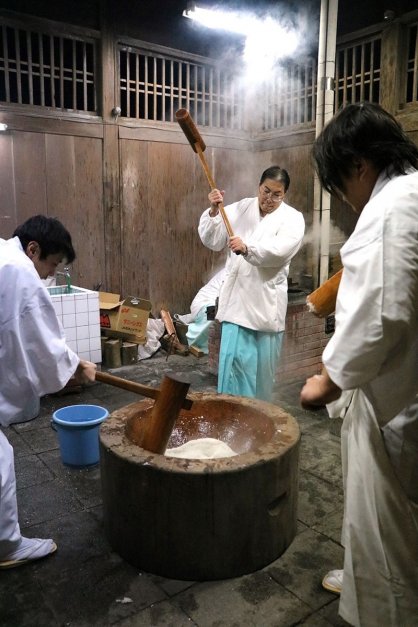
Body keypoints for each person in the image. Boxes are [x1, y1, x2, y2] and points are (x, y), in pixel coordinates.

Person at [300, 103, 418, 626]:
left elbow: (380, 315)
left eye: (338, 183)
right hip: (406, 380)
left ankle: (385, 605)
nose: (344, 200)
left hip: (396, 401)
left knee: (386, 527)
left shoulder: (390, 210)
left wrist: (329, 380)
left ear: (358, 165)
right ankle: (364, 571)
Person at [0, 215, 97, 569]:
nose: (49, 274)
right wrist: (75, 366)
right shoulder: (19, 270)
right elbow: (40, 340)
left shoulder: (4, 256)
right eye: (52, 264)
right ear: (34, 249)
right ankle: (6, 547)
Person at [198, 166, 305, 401]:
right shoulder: (242, 208)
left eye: (276, 194)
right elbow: (213, 239)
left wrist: (248, 248)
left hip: (265, 307)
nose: (269, 199)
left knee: (261, 378)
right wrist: (215, 211)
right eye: (266, 191)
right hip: (237, 305)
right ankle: (231, 418)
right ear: (259, 187)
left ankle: (257, 423)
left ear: (284, 194)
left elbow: (281, 251)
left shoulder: (293, 219)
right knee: (232, 372)